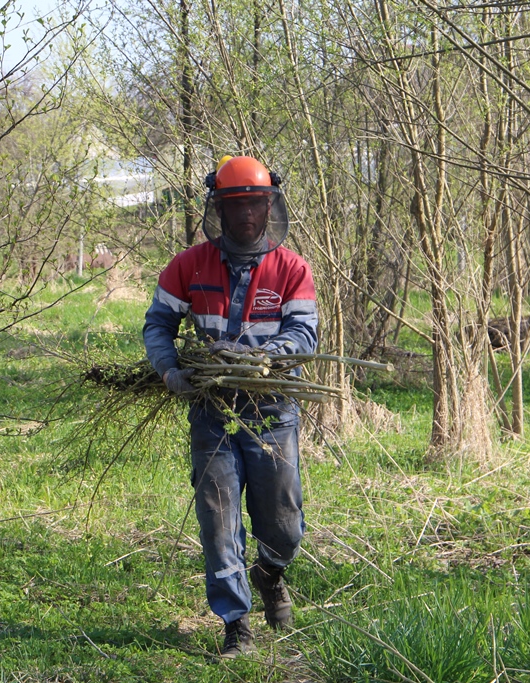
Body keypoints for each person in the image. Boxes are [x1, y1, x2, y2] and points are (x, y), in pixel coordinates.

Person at [142, 155, 318, 658]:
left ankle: (270, 571)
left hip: (272, 411)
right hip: (212, 411)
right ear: (218, 209)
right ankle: (235, 623)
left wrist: (261, 358)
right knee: (218, 518)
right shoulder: (188, 266)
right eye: (236, 205)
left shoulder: (291, 268)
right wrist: (169, 367)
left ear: (270, 208)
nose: (246, 216)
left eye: (255, 205)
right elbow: (158, 324)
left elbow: (304, 334)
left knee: (284, 523)